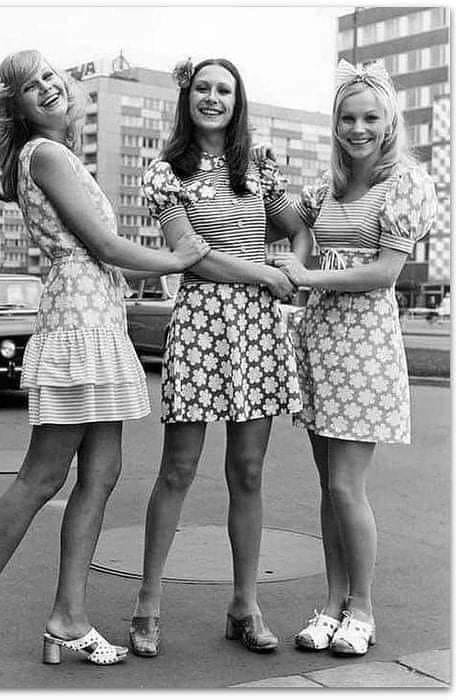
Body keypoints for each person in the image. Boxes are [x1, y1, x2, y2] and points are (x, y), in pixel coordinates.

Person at [0, 49, 209, 675]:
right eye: (32, 86)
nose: (49, 88)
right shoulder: (46, 155)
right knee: (43, 475)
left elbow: (102, 252)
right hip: (77, 323)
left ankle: (69, 619)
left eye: (50, 76)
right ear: (19, 107)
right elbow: (105, 244)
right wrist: (180, 259)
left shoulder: (59, 154)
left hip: (97, 316)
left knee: (102, 471)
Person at [129, 57, 310, 657]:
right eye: (203, 88)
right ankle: (148, 604)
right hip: (201, 324)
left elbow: (296, 227)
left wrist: (293, 266)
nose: (212, 97)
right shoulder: (166, 173)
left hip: (257, 327)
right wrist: (266, 273)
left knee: (248, 472)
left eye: (224, 90)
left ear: (238, 100)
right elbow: (192, 255)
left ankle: (244, 604)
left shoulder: (258, 165)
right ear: (188, 98)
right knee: (177, 469)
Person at [272, 59, 437, 656]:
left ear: (388, 123)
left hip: (365, 344)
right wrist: (264, 179)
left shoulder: (406, 184)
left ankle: (362, 609)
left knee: (346, 485)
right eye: (347, 118)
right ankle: (332, 604)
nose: (357, 128)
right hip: (320, 340)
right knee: (328, 487)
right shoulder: (329, 185)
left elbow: (384, 273)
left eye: (369, 118)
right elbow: (286, 223)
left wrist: (308, 276)